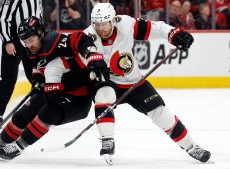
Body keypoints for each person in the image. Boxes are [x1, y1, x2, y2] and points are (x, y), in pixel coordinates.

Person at [84, 2, 211, 164]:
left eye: (104, 24)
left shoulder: (125, 24)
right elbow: (77, 56)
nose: (100, 28)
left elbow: (155, 28)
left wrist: (174, 33)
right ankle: (107, 140)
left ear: (113, 20)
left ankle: (192, 147)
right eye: (97, 24)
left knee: (160, 113)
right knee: (103, 96)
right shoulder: (88, 36)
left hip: (134, 82)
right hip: (108, 82)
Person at [0, 16, 116, 161]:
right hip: (56, 91)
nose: (28, 45)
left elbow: (81, 38)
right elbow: (39, 67)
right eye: (25, 42)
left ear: (41, 34)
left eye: (31, 40)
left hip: (78, 98)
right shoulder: (33, 51)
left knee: (49, 111)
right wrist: (37, 79)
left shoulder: (58, 42)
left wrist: (92, 55)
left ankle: (19, 146)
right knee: (23, 113)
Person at [0, 0, 43, 128]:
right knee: (9, 77)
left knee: (37, 77)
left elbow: (39, 16)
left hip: (33, 40)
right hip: (15, 41)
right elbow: (2, 18)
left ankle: (38, 113)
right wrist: (7, 41)